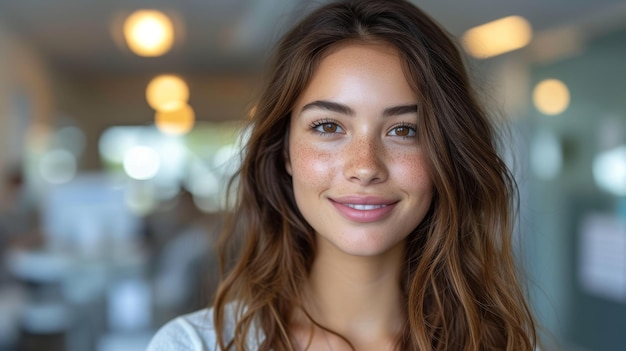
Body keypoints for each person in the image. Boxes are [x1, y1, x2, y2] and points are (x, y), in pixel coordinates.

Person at [146, 0, 538, 350]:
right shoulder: (194, 344)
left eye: (404, 130)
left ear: (446, 156)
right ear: (283, 151)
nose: (365, 166)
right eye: (329, 127)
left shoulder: (503, 344)